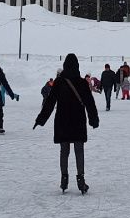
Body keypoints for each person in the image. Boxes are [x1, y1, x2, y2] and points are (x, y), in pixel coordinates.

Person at [34, 54, 99, 194]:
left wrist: (41, 119)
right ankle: (81, 181)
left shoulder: (59, 82)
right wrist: (94, 119)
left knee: (64, 150)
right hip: (78, 121)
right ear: (77, 66)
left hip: (62, 120)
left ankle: (64, 180)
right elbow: (90, 103)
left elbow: (50, 103)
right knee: (79, 150)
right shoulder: (82, 82)